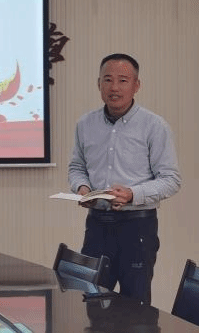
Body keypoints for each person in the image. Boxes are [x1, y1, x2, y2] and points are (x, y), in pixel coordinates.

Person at [68, 53, 181, 305]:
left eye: (123, 80)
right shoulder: (85, 124)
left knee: (135, 306)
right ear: (98, 84)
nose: (114, 87)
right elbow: (77, 167)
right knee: (91, 301)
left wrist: (132, 194)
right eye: (108, 80)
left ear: (136, 85)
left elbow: (171, 179)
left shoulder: (154, 126)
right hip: (97, 225)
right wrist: (82, 188)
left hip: (137, 226)